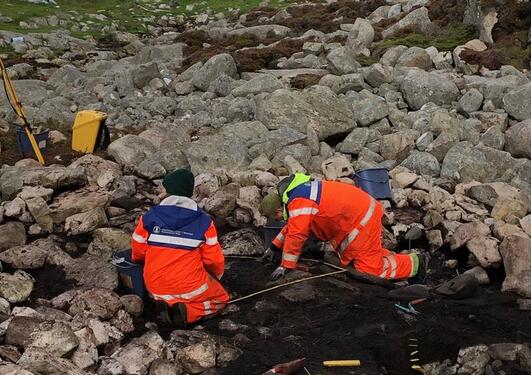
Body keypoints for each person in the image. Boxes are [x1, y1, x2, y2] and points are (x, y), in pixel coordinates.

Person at [259, 173, 426, 282]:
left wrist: (286, 266)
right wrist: (274, 247)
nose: (278, 220)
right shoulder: (297, 195)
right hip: (357, 214)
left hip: (361, 217)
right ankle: (397, 259)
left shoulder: (299, 202)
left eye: (276, 216)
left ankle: (415, 264)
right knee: (362, 255)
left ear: (279, 209)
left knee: (370, 270)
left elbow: (296, 234)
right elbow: (292, 227)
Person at [131, 169, 229, 327]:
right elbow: (213, 260)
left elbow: (137, 250)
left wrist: (141, 261)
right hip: (188, 286)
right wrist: (216, 278)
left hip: (154, 287)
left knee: (167, 288)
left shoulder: (149, 217)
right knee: (220, 299)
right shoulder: (204, 222)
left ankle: (164, 305)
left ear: (170, 191)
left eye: (163, 187)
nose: (160, 190)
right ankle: (187, 313)